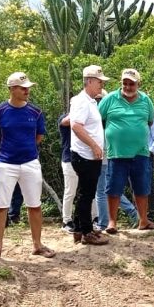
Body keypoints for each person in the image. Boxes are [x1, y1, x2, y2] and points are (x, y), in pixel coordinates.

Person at [0, 72, 55, 259]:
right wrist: (4, 152)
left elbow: (38, 137)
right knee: (0, 205)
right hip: (5, 162)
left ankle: (37, 244)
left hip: (30, 161)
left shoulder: (36, 112)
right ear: (11, 89)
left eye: (28, 88)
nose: (27, 91)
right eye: (23, 88)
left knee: (35, 204)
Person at [98, 68, 154, 232]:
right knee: (114, 188)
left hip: (140, 152)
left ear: (138, 84)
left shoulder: (146, 100)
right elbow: (98, 120)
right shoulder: (110, 99)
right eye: (125, 83)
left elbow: (150, 121)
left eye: (131, 84)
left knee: (142, 188)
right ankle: (112, 222)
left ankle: (143, 220)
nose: (128, 86)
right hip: (116, 153)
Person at [68, 65, 110, 245]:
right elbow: (76, 126)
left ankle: (79, 228)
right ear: (90, 81)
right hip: (85, 155)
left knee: (85, 193)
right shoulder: (81, 101)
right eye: (99, 81)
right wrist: (93, 145)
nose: (101, 84)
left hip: (90, 155)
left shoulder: (91, 101)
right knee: (86, 195)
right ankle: (86, 232)